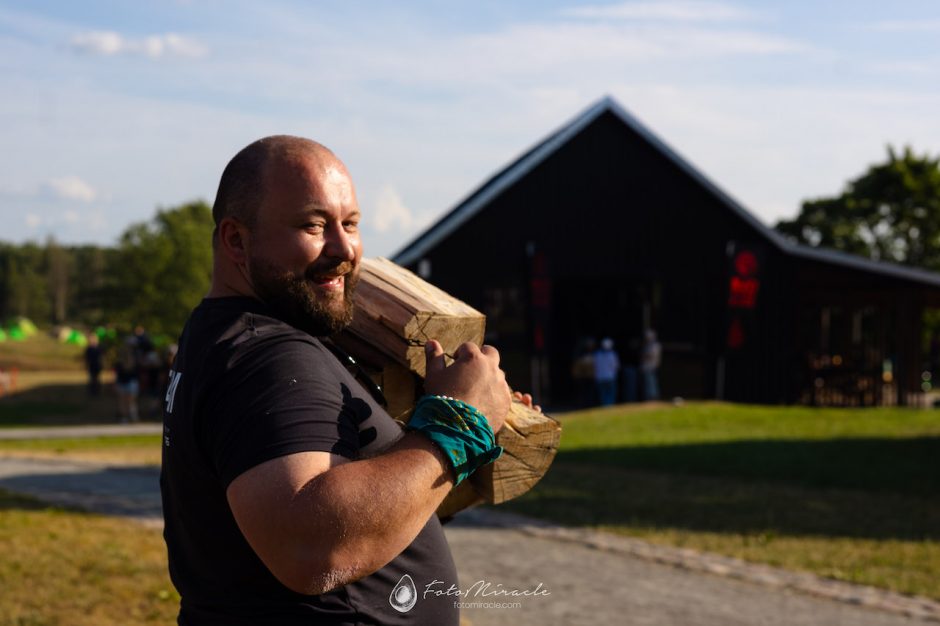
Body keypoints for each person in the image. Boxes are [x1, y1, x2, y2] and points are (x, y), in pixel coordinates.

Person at [160, 136, 523, 625]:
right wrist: (459, 425)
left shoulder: (229, 333)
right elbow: (310, 549)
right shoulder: (270, 358)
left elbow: (350, 497)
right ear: (236, 240)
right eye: (313, 225)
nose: (344, 248)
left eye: (350, 224)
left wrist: (450, 438)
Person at [593, 337, 620, 406]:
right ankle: (609, 407)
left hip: (600, 377)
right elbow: (616, 366)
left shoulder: (597, 355)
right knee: (610, 394)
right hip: (610, 377)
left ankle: (605, 406)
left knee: (603, 395)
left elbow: (594, 366)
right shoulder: (612, 355)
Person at [640, 328, 662, 401]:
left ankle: (653, 397)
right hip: (647, 367)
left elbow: (650, 355)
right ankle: (649, 397)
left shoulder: (655, 345)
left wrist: (644, 355)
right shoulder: (647, 345)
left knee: (651, 383)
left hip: (651, 366)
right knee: (648, 383)